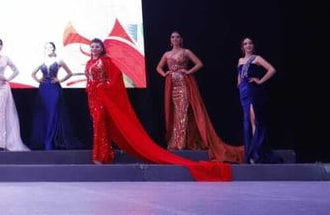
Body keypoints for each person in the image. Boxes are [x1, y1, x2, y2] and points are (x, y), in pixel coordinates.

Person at [82, 38, 231, 181]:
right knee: (98, 125)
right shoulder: (90, 62)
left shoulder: (105, 61)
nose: (95, 48)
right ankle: (104, 155)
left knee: (101, 124)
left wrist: (103, 86)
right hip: (93, 98)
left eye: (97, 46)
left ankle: (101, 157)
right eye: (93, 46)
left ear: (102, 49)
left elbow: (115, 78)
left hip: (103, 98)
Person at [156, 31, 243, 163]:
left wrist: (188, 71)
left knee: (183, 111)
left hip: (184, 85)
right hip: (172, 86)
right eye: (173, 37)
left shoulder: (186, 52)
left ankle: (181, 142)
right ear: (170, 40)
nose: (175, 39)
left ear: (181, 39)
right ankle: (176, 141)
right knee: (175, 113)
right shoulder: (167, 54)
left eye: (177, 37)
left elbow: (199, 63)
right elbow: (158, 67)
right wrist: (165, 74)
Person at [29, 41, 81, 150]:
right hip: (44, 89)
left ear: (54, 49)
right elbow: (32, 73)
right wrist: (39, 80)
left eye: (50, 47)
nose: (49, 49)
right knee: (45, 114)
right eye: (46, 47)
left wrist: (59, 80)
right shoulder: (42, 61)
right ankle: (45, 140)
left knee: (53, 113)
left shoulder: (58, 60)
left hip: (54, 88)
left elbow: (70, 73)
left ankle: (49, 140)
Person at [237, 37, 277, 164]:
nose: (248, 45)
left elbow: (272, 70)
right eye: (245, 44)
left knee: (255, 120)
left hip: (253, 90)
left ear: (253, 46)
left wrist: (260, 81)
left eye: (250, 43)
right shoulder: (240, 60)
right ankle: (250, 153)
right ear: (242, 47)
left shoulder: (257, 58)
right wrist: (239, 84)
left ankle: (256, 153)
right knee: (247, 121)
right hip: (243, 92)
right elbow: (239, 74)